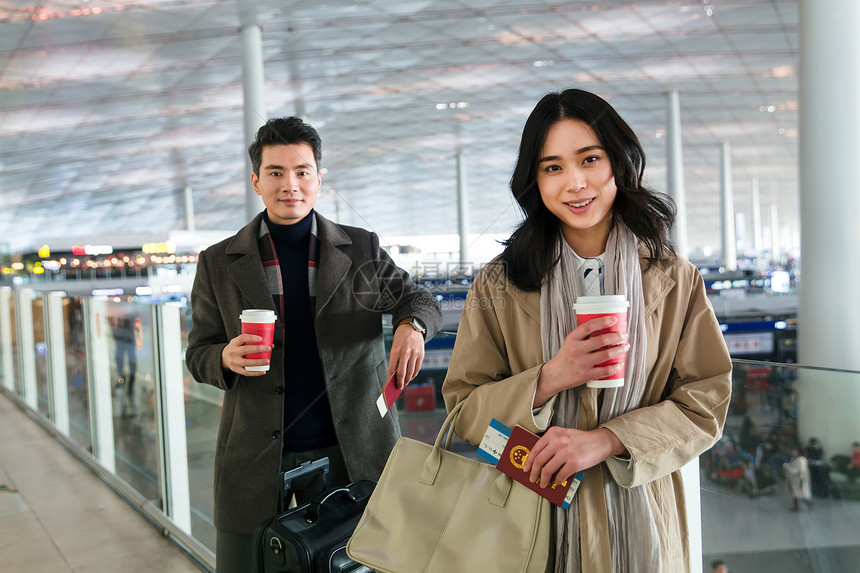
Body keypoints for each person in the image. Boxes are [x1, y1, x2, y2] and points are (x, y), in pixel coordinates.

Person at [442, 89, 732, 572]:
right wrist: (549, 377)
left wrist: (609, 440)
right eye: (552, 167)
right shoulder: (501, 282)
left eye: (590, 160)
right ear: (535, 180)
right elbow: (464, 409)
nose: (575, 183)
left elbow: (705, 401)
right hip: (533, 525)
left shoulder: (671, 277)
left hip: (643, 521)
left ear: (618, 162)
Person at [185, 117, 442, 572]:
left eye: (303, 171)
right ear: (256, 181)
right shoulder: (218, 262)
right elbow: (198, 352)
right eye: (276, 173)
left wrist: (412, 326)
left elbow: (417, 297)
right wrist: (222, 357)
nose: (291, 185)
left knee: (363, 562)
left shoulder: (359, 248)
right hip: (256, 454)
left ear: (319, 180)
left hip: (355, 448)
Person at [785, 444, 813, 511]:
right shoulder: (796, 459)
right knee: (795, 495)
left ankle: (809, 503)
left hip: (799, 481)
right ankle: (796, 507)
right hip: (795, 480)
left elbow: (798, 471)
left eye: (794, 451)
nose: (793, 452)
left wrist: (788, 467)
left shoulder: (801, 460)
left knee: (801, 494)